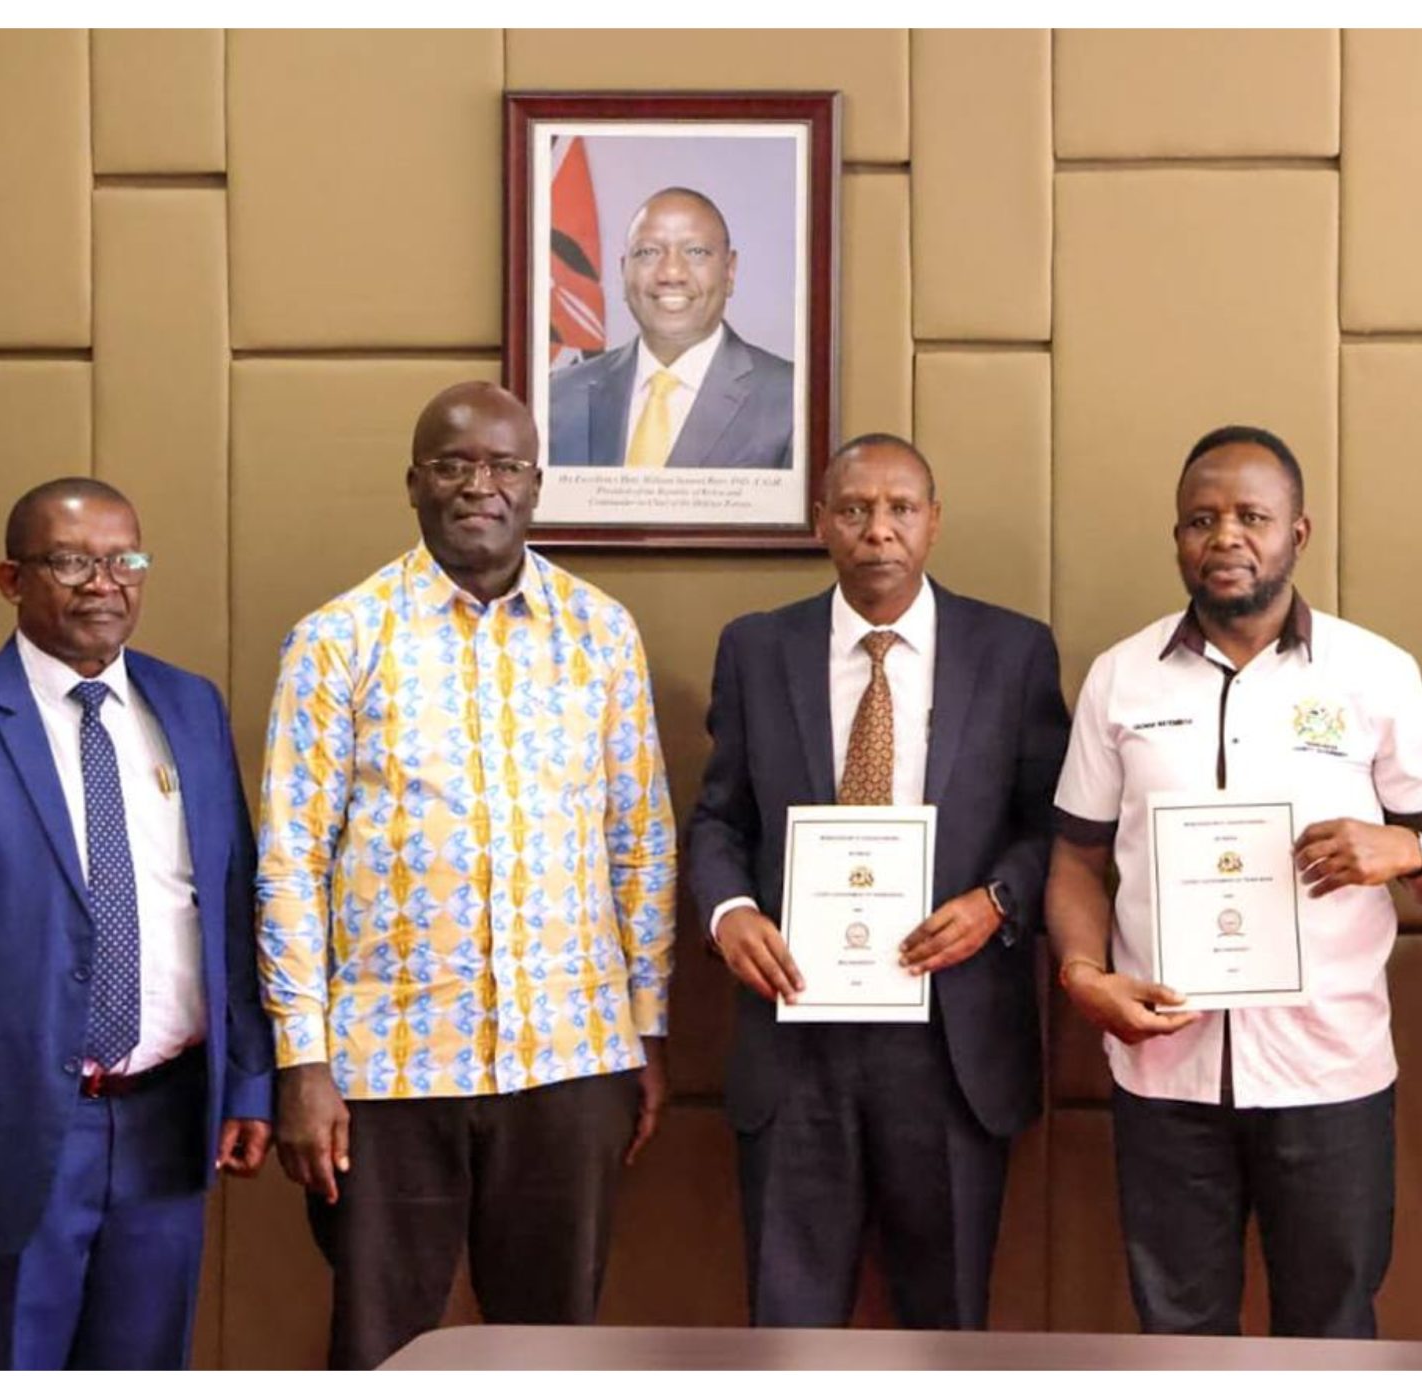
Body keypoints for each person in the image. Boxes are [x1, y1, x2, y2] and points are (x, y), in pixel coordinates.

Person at [257, 381, 676, 1369]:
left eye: (503, 465)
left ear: (536, 484)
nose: (478, 485)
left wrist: (646, 1028)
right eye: (453, 464)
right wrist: (302, 1062)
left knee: (550, 1349)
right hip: (387, 1069)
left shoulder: (600, 633)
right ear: (413, 483)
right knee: (381, 1348)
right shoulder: (337, 639)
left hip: (570, 1059)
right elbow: (289, 860)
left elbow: (641, 843)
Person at [1044, 425, 1422, 1338]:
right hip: (1165, 1070)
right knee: (1177, 1334)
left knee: (1330, 1330)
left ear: (1298, 532)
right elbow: (1078, 859)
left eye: (1252, 516)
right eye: (1201, 519)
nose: (1226, 537)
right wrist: (1084, 976)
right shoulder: (1120, 679)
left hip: (1329, 1070)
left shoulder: (1373, 672)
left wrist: (1405, 851)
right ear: (1177, 537)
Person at [0, 478, 274, 1368]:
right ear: (12, 579)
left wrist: (247, 1080)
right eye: (72, 562)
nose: (104, 584)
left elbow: (230, 908)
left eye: (125, 560)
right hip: (3, 1139)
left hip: (168, 1124)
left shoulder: (191, 707)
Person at [688, 432, 1068, 1328]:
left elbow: (1051, 823)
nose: (879, 530)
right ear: (822, 521)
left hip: (949, 1038)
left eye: (901, 509)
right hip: (796, 1033)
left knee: (947, 1324)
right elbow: (717, 818)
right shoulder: (758, 648)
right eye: (856, 509)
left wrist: (996, 903)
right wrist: (729, 912)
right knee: (789, 1328)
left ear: (934, 522)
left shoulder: (1012, 650)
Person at [546, 186, 797, 470]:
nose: (671, 273)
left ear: (729, 271)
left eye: (696, 252)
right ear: (624, 271)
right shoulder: (560, 395)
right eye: (648, 252)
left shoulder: (791, 399)